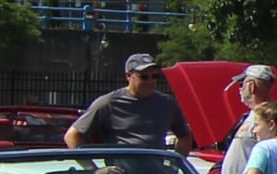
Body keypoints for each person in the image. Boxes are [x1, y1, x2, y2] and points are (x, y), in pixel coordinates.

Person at [67, 53, 195, 154]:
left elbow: (185, 137)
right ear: (129, 76)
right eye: (144, 77)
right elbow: (72, 136)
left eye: (155, 76)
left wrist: (173, 167)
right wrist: (95, 169)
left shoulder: (167, 104)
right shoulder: (109, 103)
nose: (150, 81)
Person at [220, 64, 277, 174]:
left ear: (251, 86)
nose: (240, 89)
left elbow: (271, 166)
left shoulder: (268, 118)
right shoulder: (254, 115)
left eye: (242, 84)